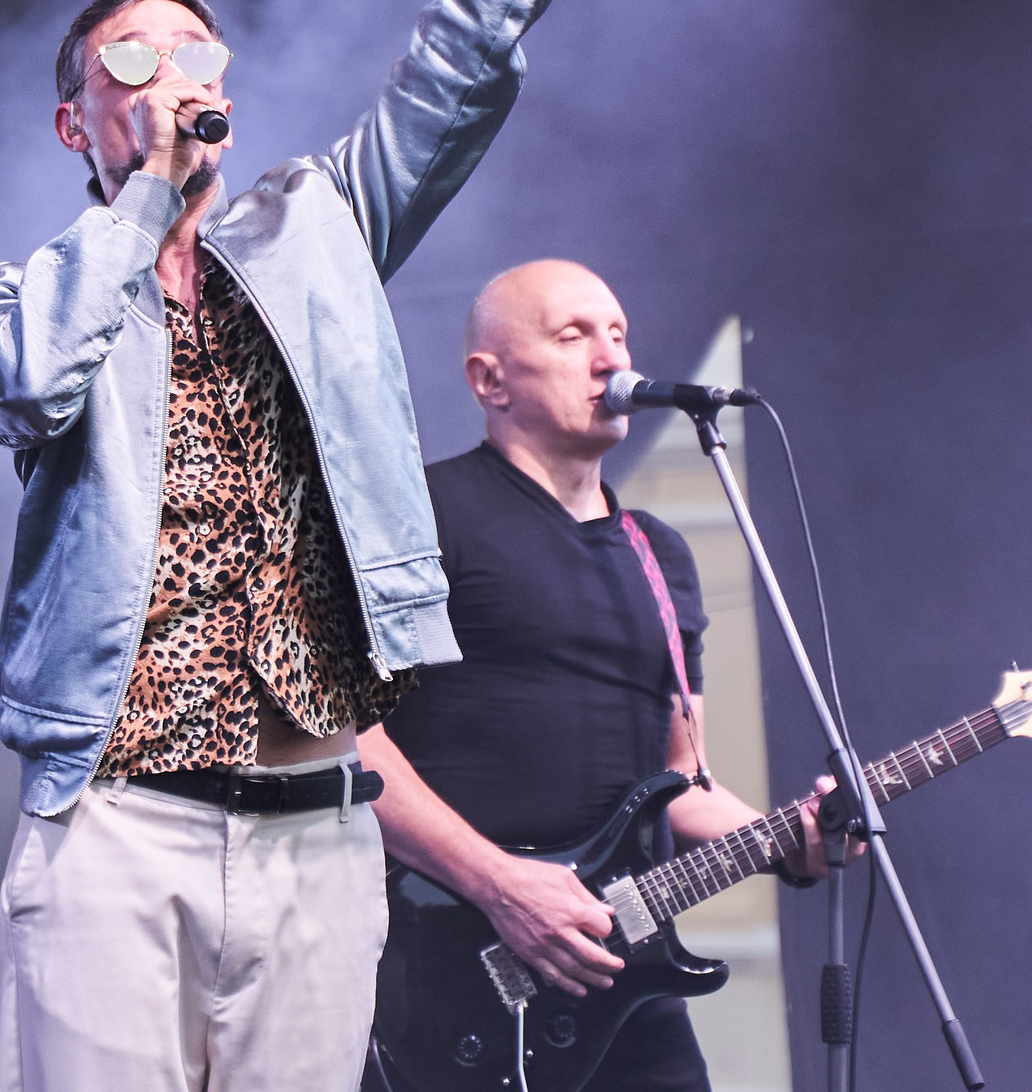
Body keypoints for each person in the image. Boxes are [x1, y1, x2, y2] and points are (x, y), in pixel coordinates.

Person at [0, 0, 702, 1092]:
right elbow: (26, 386)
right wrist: (141, 206)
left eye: (197, 44)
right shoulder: (30, 288)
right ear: (73, 116)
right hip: (117, 825)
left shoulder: (322, 224)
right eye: (132, 56)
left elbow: (473, 42)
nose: (174, 69)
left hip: (315, 829)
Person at [360, 260, 854, 1092]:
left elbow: (682, 782)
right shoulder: (424, 514)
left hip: (624, 989)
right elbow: (347, 742)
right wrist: (501, 883)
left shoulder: (661, 556)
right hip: (448, 968)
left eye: (618, 333)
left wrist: (787, 838)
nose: (609, 355)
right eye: (573, 334)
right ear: (490, 379)